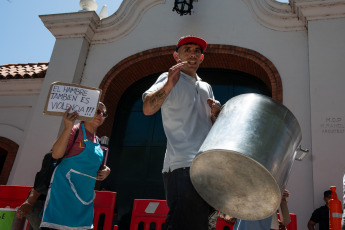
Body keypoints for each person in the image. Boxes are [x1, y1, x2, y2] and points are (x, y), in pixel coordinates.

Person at [142, 35, 221, 230]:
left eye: (197, 51)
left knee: (204, 225)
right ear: (176, 56)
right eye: (188, 50)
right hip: (182, 166)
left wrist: (216, 115)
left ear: (201, 58)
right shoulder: (168, 78)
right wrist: (169, 83)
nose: (193, 54)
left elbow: (210, 127)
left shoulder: (206, 87)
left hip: (206, 166)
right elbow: (147, 109)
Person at [39, 102, 111, 230]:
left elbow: (97, 167)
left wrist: (106, 171)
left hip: (84, 200)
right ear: (86, 112)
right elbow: (56, 154)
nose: (101, 115)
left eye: (104, 113)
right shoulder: (75, 130)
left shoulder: (98, 140)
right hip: (63, 194)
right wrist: (67, 127)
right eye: (97, 111)